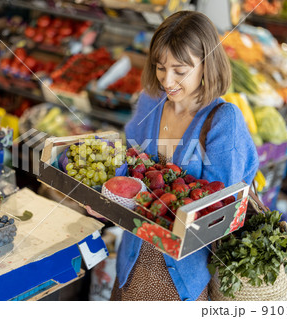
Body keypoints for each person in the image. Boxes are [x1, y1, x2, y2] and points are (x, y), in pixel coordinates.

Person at [88, 10, 259, 301]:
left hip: (181, 277)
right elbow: (128, 165)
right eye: (160, 67)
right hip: (131, 261)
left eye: (180, 71)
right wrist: (106, 199)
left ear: (206, 65)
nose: (168, 81)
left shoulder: (223, 120)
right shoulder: (149, 101)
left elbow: (219, 212)